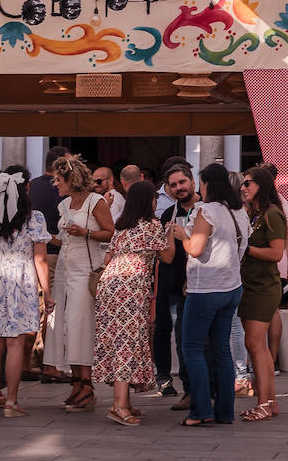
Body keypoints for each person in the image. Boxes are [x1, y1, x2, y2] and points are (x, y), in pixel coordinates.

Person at [171, 162, 250, 426]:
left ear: (208, 185)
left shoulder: (206, 210)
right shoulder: (239, 212)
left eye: (201, 183)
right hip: (232, 287)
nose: (199, 188)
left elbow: (195, 248)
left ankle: (201, 410)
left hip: (206, 288)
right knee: (222, 350)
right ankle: (225, 411)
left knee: (192, 348)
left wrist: (182, 234)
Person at [0, 167, 52, 418]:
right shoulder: (35, 218)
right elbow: (40, 260)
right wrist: (47, 292)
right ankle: (11, 402)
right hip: (23, 278)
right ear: (26, 188)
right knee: (17, 342)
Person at [94, 181, 167, 426]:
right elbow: (167, 255)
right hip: (131, 287)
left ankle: (125, 401)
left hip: (109, 285)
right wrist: (173, 234)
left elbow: (108, 257)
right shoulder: (154, 226)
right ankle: (118, 405)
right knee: (127, 342)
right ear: (148, 201)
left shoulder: (122, 226)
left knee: (119, 341)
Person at [45, 155, 114, 412]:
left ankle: (86, 383)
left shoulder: (95, 201)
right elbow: (65, 240)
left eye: (58, 179)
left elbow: (111, 233)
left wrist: (85, 232)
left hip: (86, 271)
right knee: (64, 327)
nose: (55, 184)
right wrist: (49, 237)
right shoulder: (64, 204)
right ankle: (76, 381)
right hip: (65, 269)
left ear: (70, 180)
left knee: (80, 326)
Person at [236, 167, 287, 422]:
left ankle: (264, 403)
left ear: (262, 185)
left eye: (248, 183)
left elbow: (276, 254)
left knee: (255, 345)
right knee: (258, 346)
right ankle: (269, 402)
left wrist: (247, 248)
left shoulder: (272, 214)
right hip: (251, 285)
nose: (244, 187)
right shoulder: (255, 213)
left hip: (263, 287)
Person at [155, 158, 198, 406]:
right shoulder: (168, 215)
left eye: (182, 182)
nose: (178, 187)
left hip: (195, 283)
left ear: (192, 182)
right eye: (173, 185)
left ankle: (192, 389)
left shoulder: (206, 210)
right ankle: (167, 379)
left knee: (186, 338)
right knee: (163, 330)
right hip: (169, 279)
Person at [27, 146, 67, 383]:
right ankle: (47, 362)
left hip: (30, 254)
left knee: (36, 306)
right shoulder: (58, 187)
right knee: (50, 307)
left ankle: (31, 360)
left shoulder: (32, 186)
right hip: (52, 252)